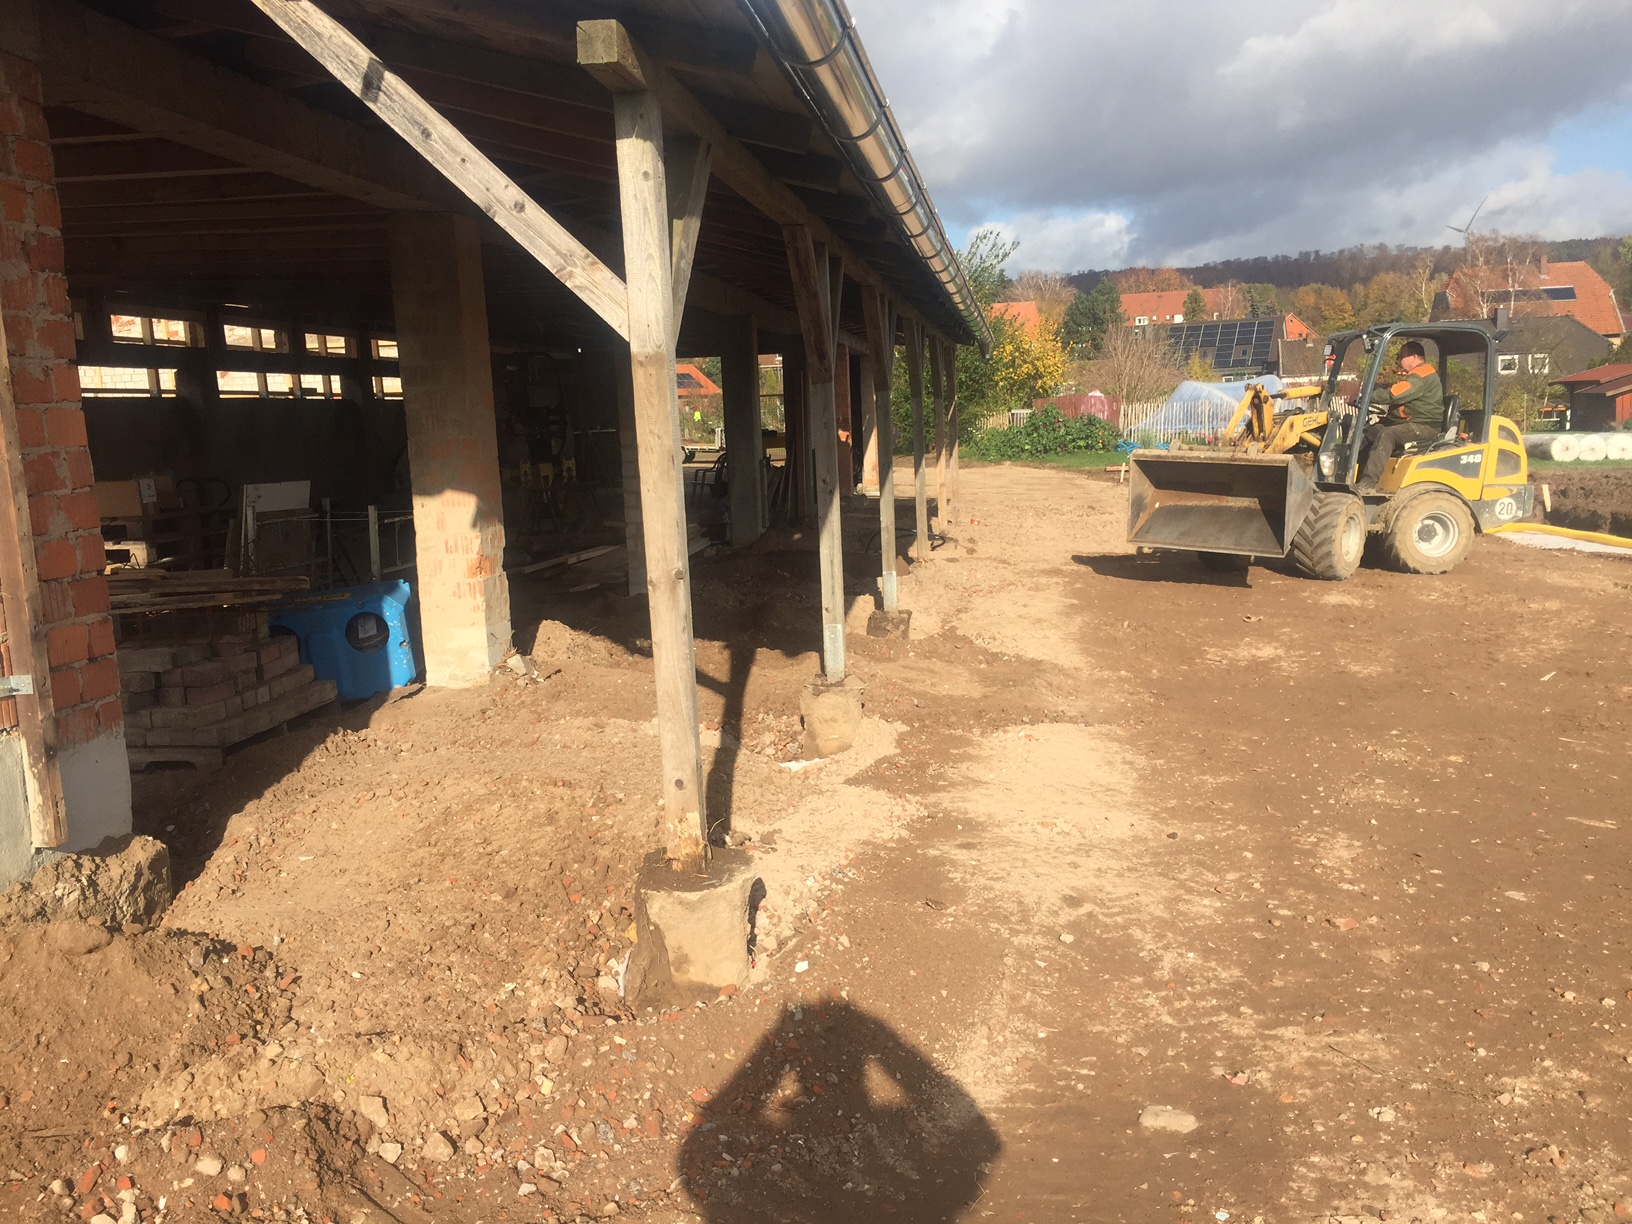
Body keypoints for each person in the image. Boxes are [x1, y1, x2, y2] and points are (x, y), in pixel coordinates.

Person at [1357, 341, 1444, 490]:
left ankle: (1368, 483)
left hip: (1425, 426)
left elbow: (1395, 394)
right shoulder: (1416, 375)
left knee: (1388, 434)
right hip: (1412, 422)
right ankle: (1353, 474)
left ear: (1413, 357)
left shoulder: (1421, 375)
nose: (1398, 361)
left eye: (1401, 356)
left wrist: (1367, 396)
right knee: (1371, 431)